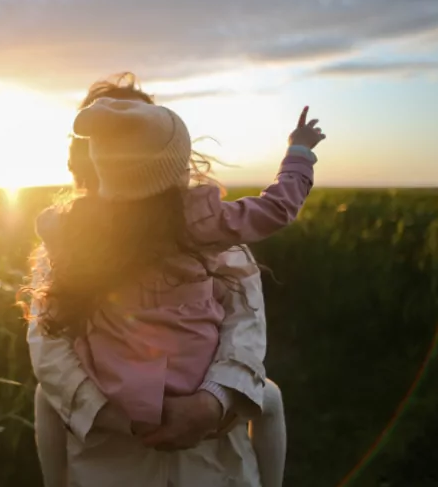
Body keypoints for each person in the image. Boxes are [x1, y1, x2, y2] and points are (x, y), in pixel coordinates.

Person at [25, 73, 320, 487]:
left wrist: (212, 402)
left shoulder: (213, 243)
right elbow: (49, 347)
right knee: (45, 397)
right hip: (107, 463)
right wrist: (116, 417)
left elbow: (245, 326)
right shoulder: (75, 248)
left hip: (215, 462)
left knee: (268, 395)